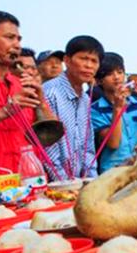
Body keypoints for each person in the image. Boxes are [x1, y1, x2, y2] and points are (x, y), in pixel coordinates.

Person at [0, 11, 54, 196]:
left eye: (18, 39)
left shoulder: (21, 85)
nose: (17, 45)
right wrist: (3, 112)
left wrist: (41, 102)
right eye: (9, 38)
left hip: (29, 190)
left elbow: (49, 137)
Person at [43, 35, 105, 179]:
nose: (89, 65)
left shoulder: (85, 98)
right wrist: (65, 183)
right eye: (83, 58)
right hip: (57, 184)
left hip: (78, 183)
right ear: (67, 60)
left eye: (94, 61)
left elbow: (88, 146)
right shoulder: (50, 93)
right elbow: (48, 149)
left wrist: (91, 180)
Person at [91, 53, 137, 173]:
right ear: (99, 81)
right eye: (110, 74)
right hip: (113, 170)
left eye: (120, 72)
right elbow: (113, 143)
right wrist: (117, 108)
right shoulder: (95, 110)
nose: (116, 77)